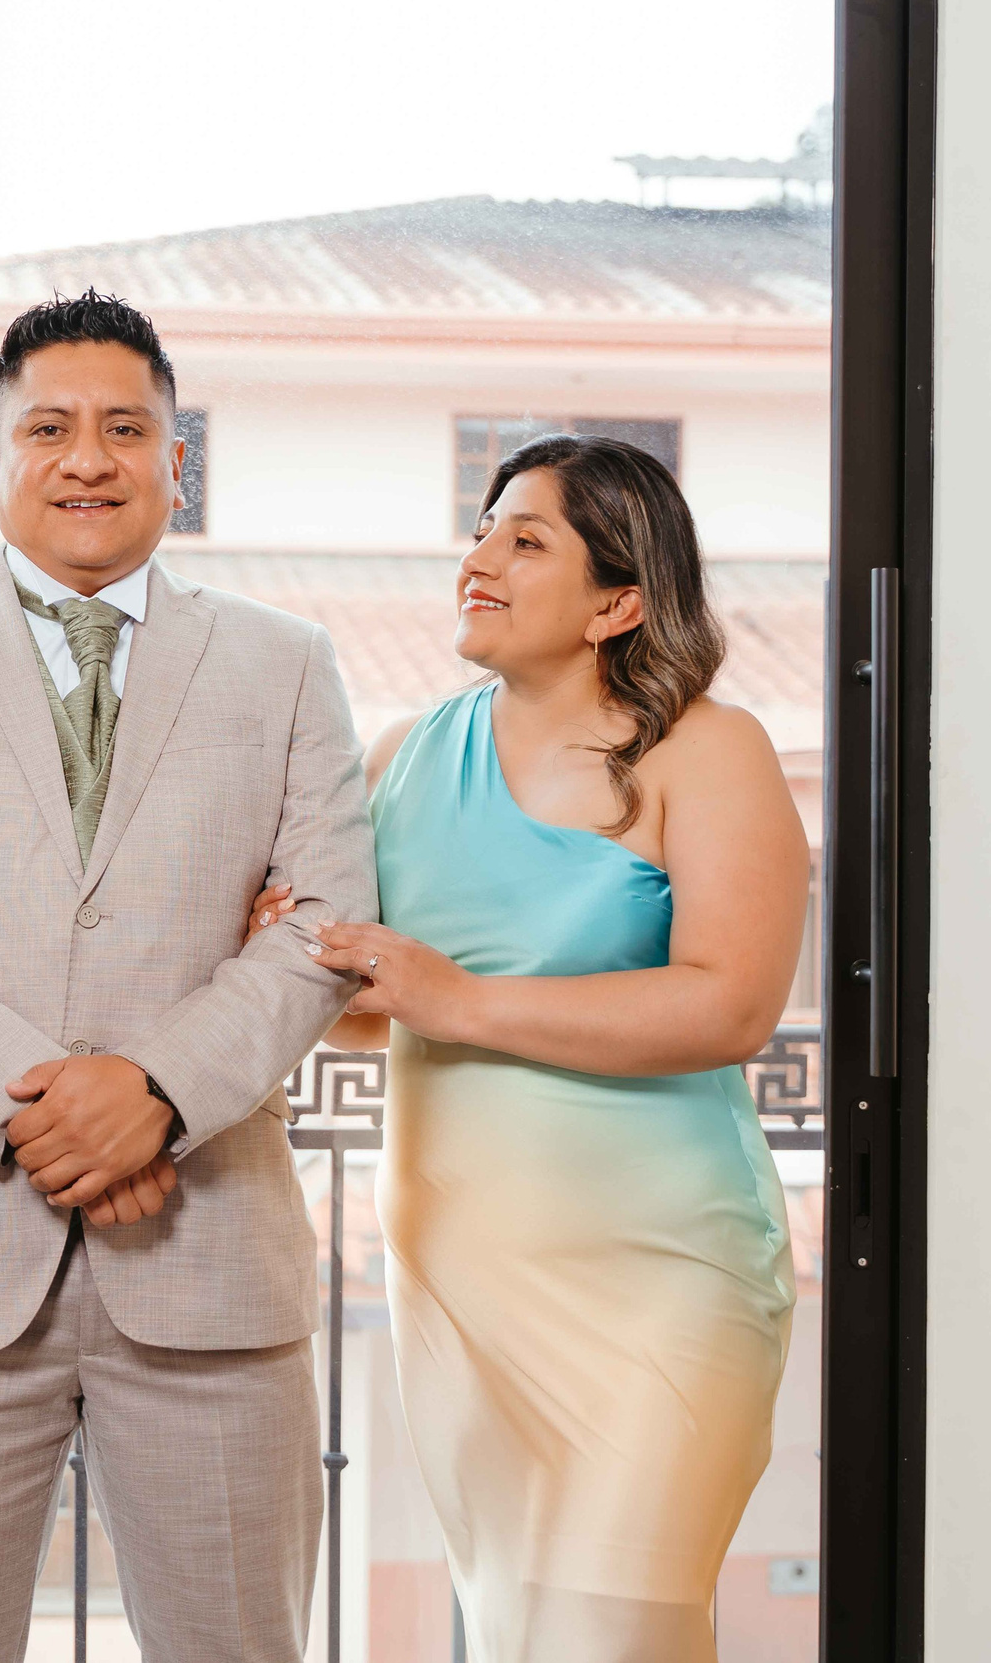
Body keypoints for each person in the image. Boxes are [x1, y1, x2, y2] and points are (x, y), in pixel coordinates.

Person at [0, 290, 378, 1663]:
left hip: (210, 1250)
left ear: (179, 457)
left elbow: (327, 925)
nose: (87, 457)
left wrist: (156, 1094)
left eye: (125, 427)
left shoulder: (287, 666)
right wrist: (46, 1108)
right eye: (48, 427)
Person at [254, 433, 806, 1661]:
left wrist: (460, 1001)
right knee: (517, 1630)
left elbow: (729, 1004)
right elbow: (371, 1001)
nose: (480, 557)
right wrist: (308, 957)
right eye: (482, 529)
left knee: (612, 1635)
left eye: (525, 537)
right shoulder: (402, 756)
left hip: (661, 1279)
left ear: (616, 599)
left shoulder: (707, 750)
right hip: (463, 1286)